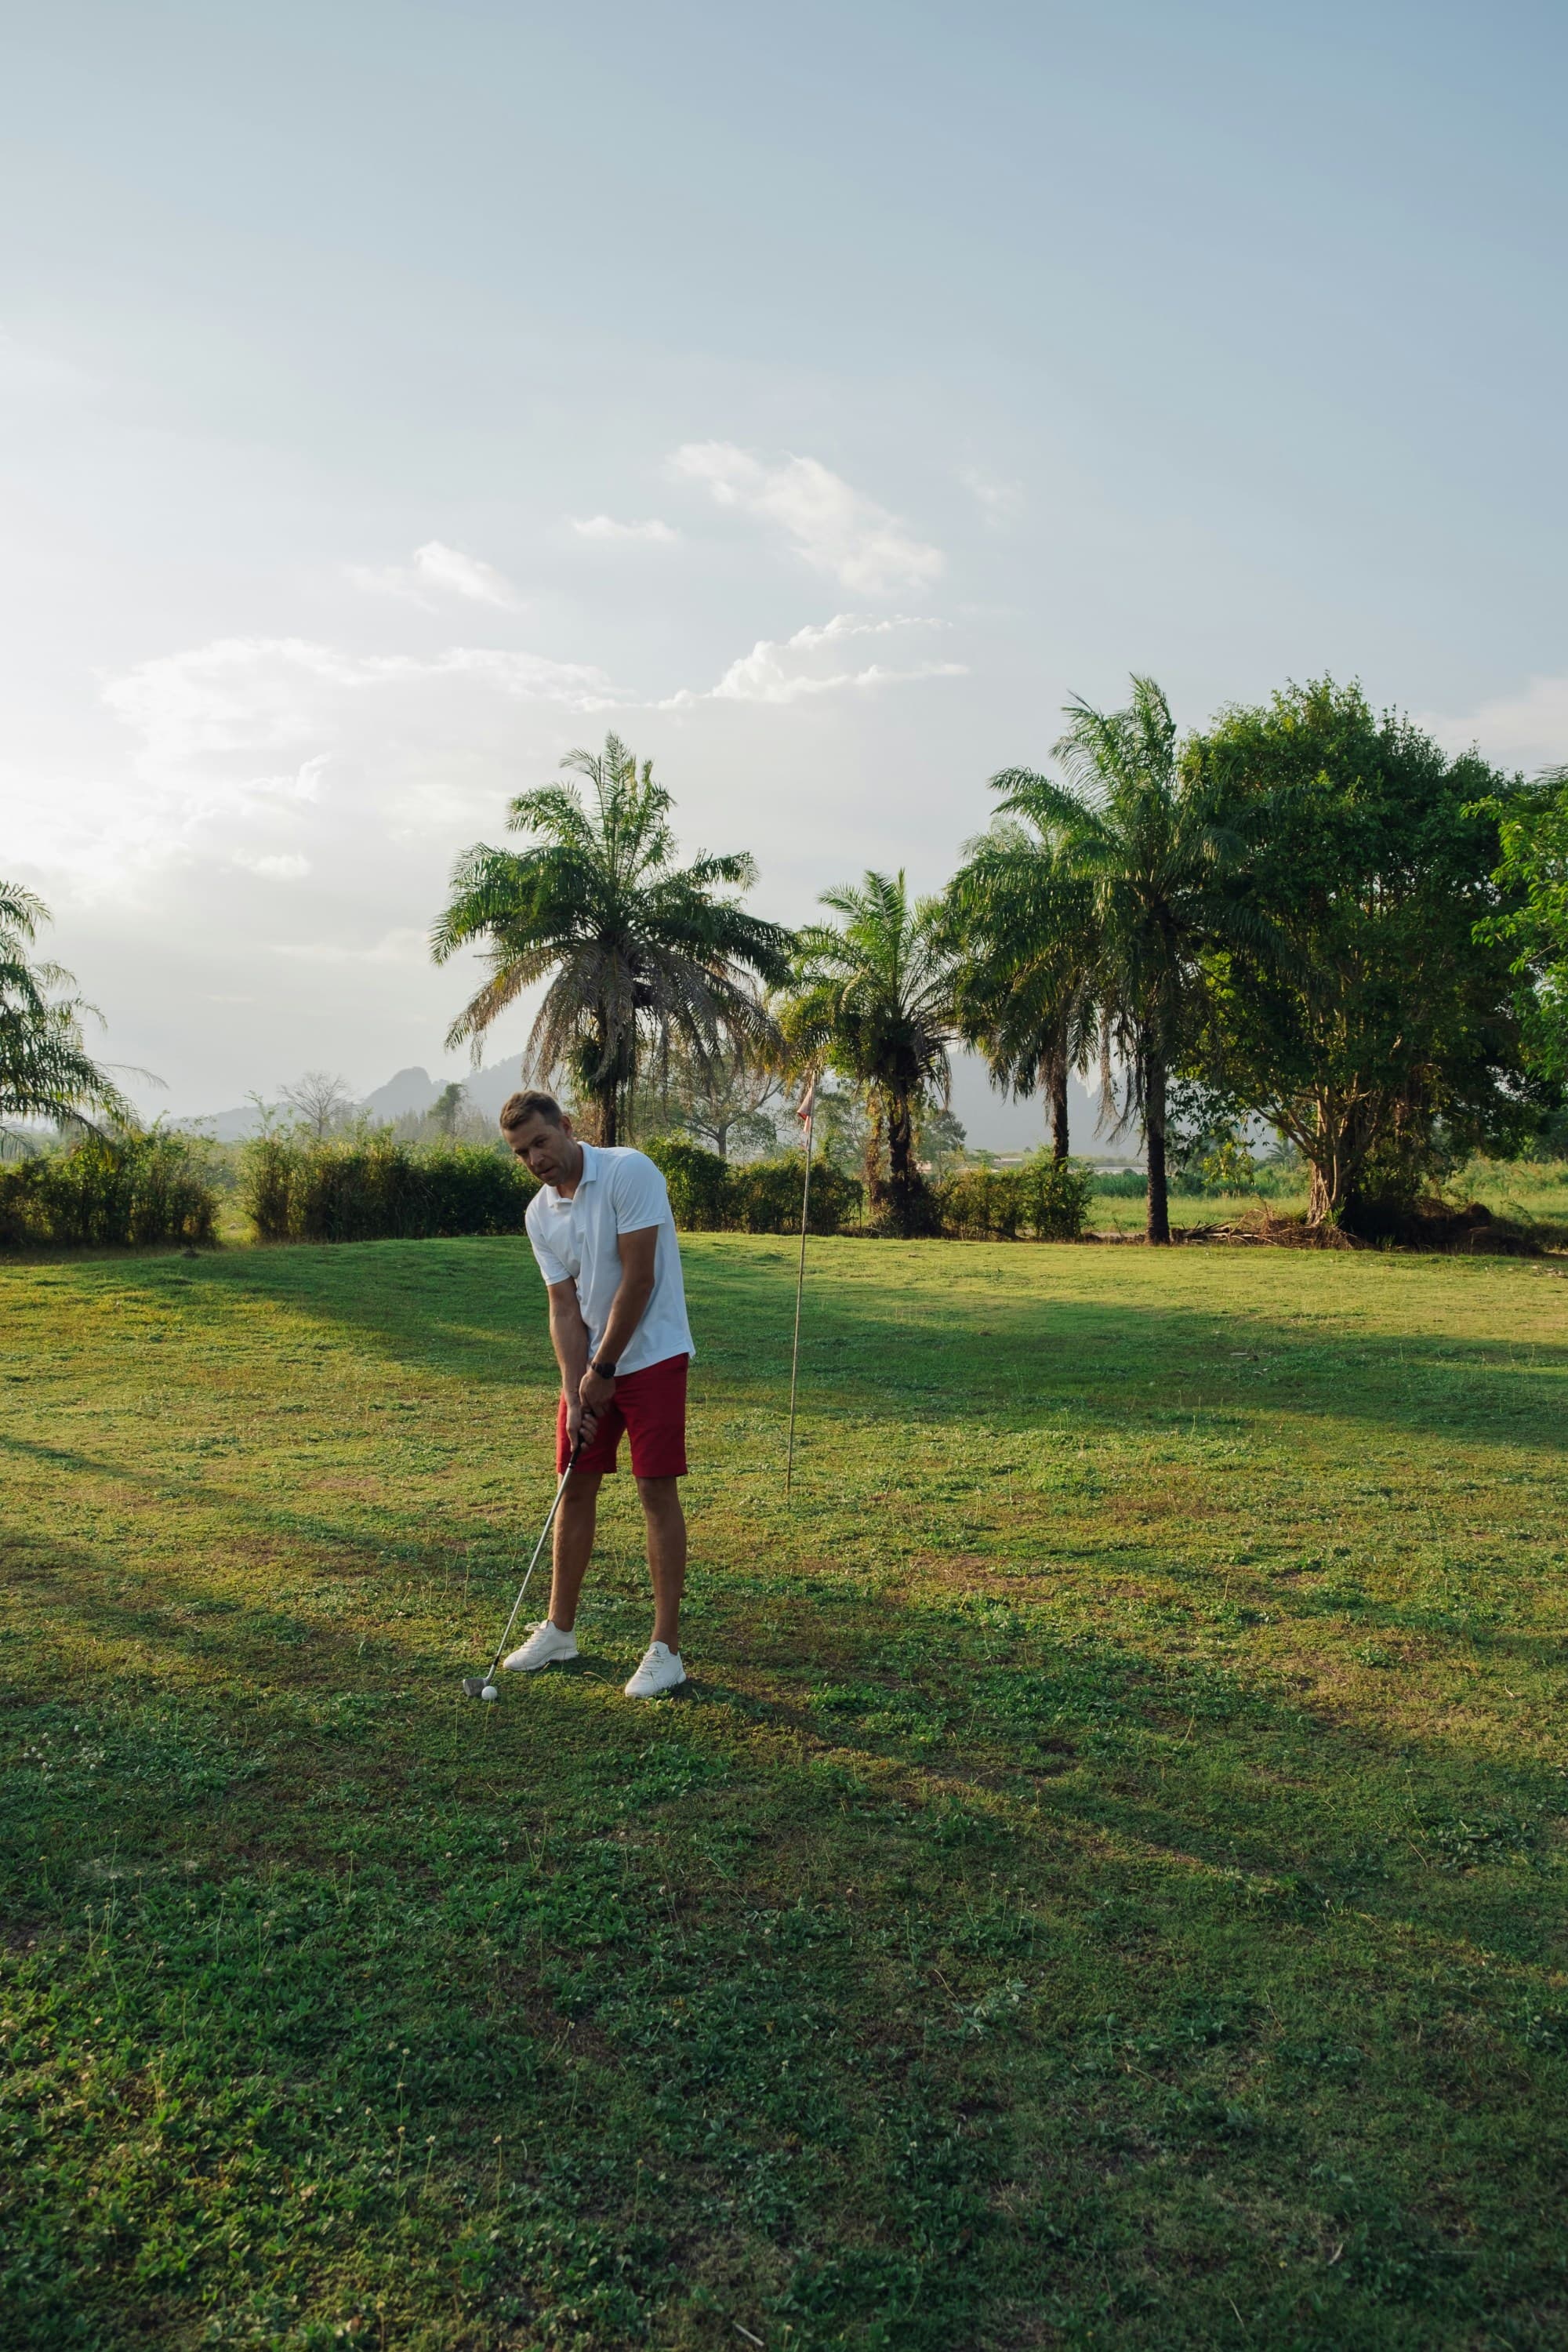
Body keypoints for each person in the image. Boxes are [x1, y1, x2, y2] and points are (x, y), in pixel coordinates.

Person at [498, 1089, 694, 1698]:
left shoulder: (628, 1171)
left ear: (567, 1127)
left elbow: (640, 1278)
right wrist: (575, 1391)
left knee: (653, 1489)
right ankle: (559, 1629)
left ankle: (666, 1649)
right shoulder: (538, 1214)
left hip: (653, 1353)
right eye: (522, 1152)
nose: (535, 1159)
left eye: (541, 1142)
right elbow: (562, 1306)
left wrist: (603, 1369)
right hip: (592, 1370)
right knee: (573, 1487)